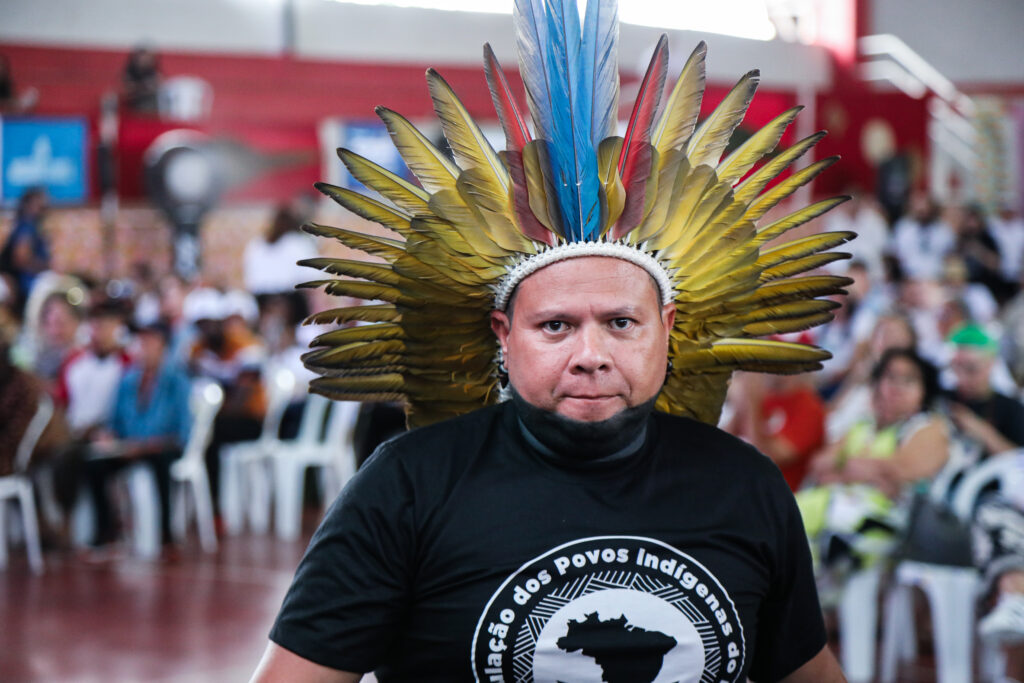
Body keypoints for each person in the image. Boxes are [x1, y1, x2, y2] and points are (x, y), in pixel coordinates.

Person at [252, 2, 851, 680]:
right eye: (556, 325)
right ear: (503, 334)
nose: (591, 354)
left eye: (621, 322)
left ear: (668, 327)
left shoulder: (744, 485)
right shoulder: (406, 486)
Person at [799, 349, 949, 578]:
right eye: (890, 377)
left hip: (889, 524)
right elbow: (819, 465)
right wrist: (874, 473)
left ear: (924, 390)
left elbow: (906, 469)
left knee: (797, 522)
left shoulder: (928, 426)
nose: (897, 387)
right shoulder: (863, 424)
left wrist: (844, 469)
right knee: (789, 516)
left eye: (908, 380)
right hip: (835, 509)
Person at [84, 321, 191, 553]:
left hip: (161, 447)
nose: (144, 348)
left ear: (163, 346)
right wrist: (109, 437)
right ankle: (106, 531)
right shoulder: (128, 380)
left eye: (150, 342)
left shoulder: (177, 380)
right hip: (127, 447)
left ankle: (167, 536)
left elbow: (183, 430)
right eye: (141, 342)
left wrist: (146, 446)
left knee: (162, 465)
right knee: (93, 464)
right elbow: (115, 421)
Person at [944, 323, 1024, 461]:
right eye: (956, 367)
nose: (962, 377)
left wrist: (982, 432)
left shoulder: (1012, 409)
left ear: (991, 364)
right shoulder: (943, 398)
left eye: (971, 369)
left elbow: (1019, 462)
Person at [0, 187, 51, 315]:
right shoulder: (26, 226)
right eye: (40, 201)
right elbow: (21, 259)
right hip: (26, 284)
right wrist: (45, 268)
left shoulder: (30, 225)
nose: (44, 205)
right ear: (29, 204)